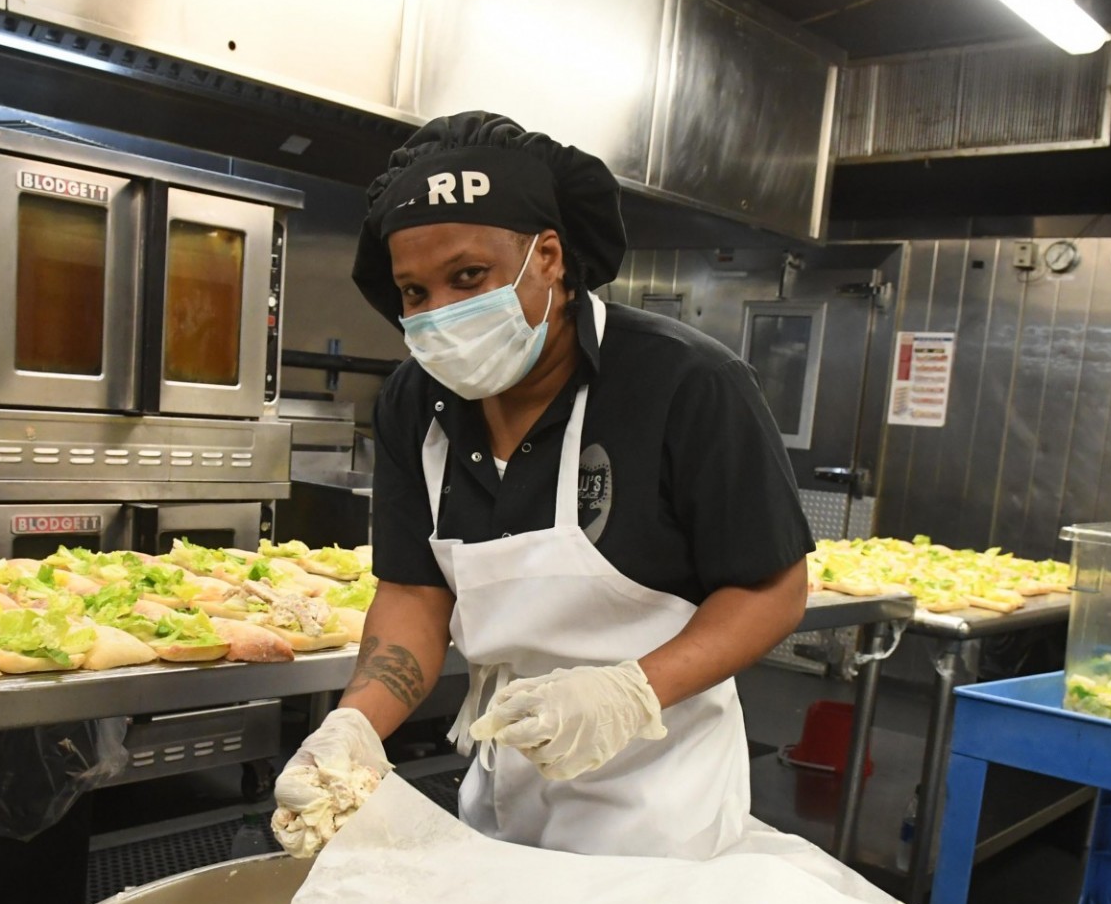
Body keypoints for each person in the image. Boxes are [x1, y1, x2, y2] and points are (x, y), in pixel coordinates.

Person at [277, 111, 818, 861]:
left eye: (469, 277)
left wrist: (624, 695)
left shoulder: (685, 384)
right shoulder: (414, 402)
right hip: (506, 785)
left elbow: (772, 591)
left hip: (662, 802)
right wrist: (356, 724)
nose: (442, 314)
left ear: (550, 257)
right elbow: (413, 595)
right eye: (414, 291)